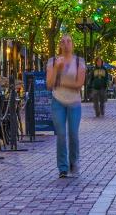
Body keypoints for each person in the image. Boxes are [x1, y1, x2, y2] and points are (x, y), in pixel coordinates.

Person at [46, 35, 85, 178]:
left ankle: (73, 162)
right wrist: (56, 69)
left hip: (74, 102)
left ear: (73, 44)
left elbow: (79, 85)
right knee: (61, 134)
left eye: (69, 41)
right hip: (58, 101)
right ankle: (62, 167)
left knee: (73, 133)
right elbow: (49, 84)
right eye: (63, 42)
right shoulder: (53, 62)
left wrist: (61, 82)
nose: (66, 44)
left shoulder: (79, 62)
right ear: (60, 45)